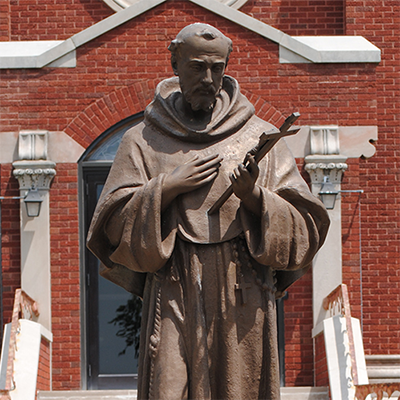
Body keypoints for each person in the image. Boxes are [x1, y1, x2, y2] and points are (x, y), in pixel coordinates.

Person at [87, 23, 329, 400]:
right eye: (198, 66)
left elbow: (305, 226)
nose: (208, 78)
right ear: (175, 64)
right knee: (168, 386)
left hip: (241, 287)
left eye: (217, 68)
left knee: (239, 388)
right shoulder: (142, 140)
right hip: (173, 283)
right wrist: (166, 187)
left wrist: (254, 197)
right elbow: (111, 225)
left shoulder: (256, 137)